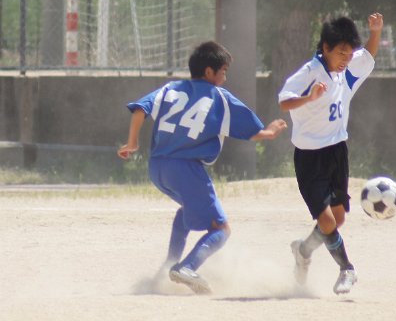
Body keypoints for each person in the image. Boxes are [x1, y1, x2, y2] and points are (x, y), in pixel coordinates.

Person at [117, 41, 287, 294]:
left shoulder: (170, 89)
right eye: (223, 71)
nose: (225, 78)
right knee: (221, 228)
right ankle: (187, 267)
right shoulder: (219, 96)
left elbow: (140, 109)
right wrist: (269, 132)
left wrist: (132, 143)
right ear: (209, 72)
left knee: (186, 211)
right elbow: (252, 131)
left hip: (158, 167)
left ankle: (168, 267)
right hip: (186, 170)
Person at [278, 12, 383, 294]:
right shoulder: (309, 72)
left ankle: (303, 250)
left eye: (349, 53)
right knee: (326, 221)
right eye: (341, 53)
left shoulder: (345, 70)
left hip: (337, 152)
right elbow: (284, 102)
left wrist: (375, 32)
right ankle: (347, 268)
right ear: (325, 48)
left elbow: (367, 57)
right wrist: (308, 97)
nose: (346, 58)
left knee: (337, 219)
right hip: (309, 158)